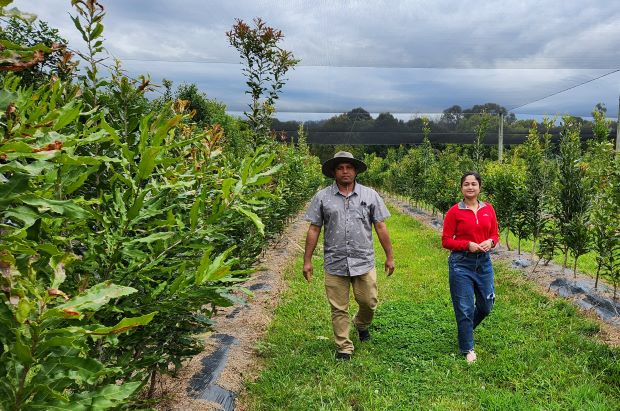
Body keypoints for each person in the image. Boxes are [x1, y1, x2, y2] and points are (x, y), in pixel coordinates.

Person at [303, 151, 395, 360]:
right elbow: (314, 229)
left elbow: (380, 226)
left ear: (355, 171)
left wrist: (389, 256)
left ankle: (361, 324)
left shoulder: (370, 195)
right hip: (335, 261)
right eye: (340, 168)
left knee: (369, 301)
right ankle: (344, 347)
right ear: (334, 172)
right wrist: (307, 261)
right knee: (338, 307)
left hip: (363, 260)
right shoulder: (322, 197)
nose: (345, 171)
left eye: (349, 167)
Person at [441, 171, 499, 363]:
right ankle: (467, 347)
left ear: (479, 187)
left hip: (483, 263)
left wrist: (491, 242)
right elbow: (446, 241)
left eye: (474, 184)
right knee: (464, 308)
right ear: (461, 188)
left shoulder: (488, 209)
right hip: (461, 264)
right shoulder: (454, 212)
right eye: (466, 184)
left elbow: (495, 235)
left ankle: (465, 330)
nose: (470, 187)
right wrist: (467, 245)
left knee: (486, 305)